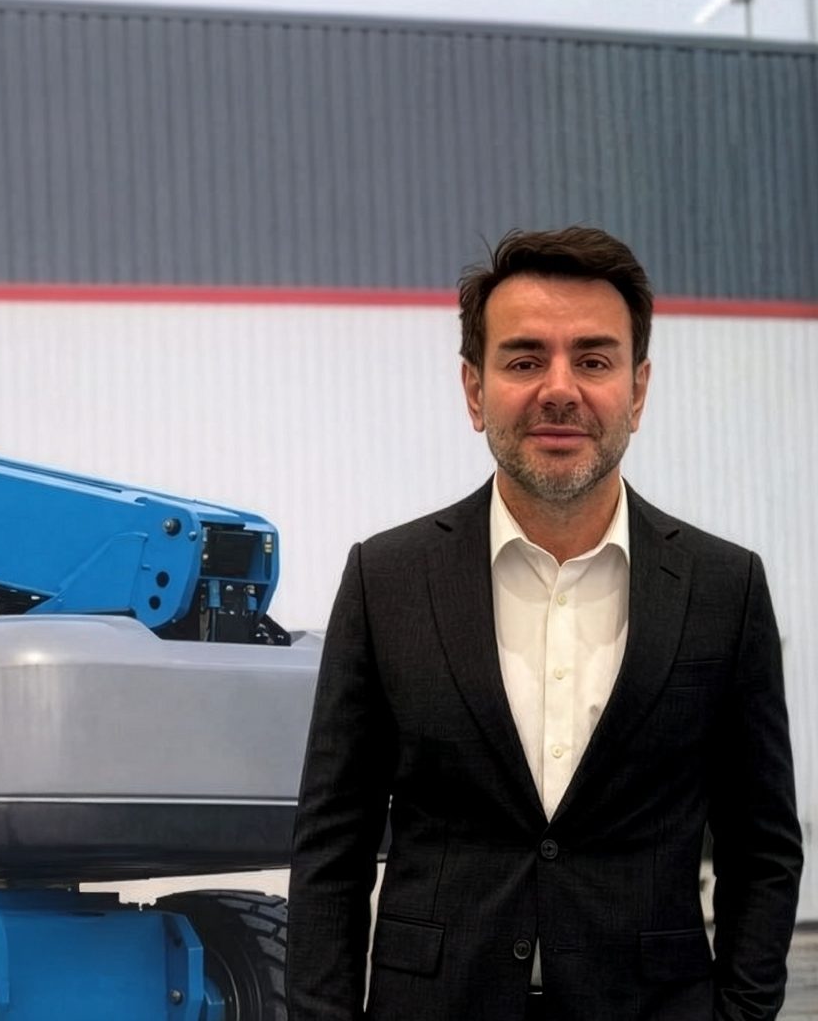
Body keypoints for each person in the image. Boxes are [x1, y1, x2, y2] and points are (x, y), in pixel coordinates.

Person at [285, 226, 802, 1021]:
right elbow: (332, 845)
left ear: (637, 390)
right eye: (525, 361)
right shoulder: (385, 582)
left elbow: (762, 848)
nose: (559, 389)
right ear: (474, 389)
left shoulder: (723, 589)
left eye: (593, 361)